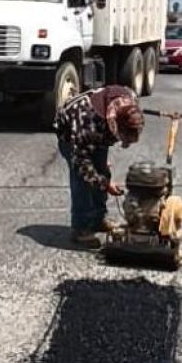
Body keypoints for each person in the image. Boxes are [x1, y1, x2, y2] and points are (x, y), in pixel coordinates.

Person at [54, 85, 145, 245]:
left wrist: (103, 173)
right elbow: (82, 163)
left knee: (102, 171)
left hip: (97, 132)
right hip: (70, 135)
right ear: (114, 125)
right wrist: (105, 183)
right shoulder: (88, 121)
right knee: (82, 181)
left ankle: (97, 219)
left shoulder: (130, 99)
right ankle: (81, 229)